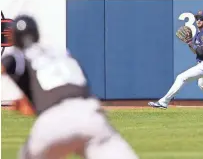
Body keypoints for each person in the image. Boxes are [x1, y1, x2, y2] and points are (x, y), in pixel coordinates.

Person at [2, 14, 139, 159]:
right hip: (90, 115)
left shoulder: (21, 55)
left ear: (15, 39)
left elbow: (6, 65)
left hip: (52, 122)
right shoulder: (63, 53)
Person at [148, 10, 203, 111]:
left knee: (181, 77)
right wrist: (190, 43)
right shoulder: (199, 33)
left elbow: (202, 52)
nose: (198, 20)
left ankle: (163, 102)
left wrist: (191, 43)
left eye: (201, 18)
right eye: (197, 18)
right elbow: (195, 52)